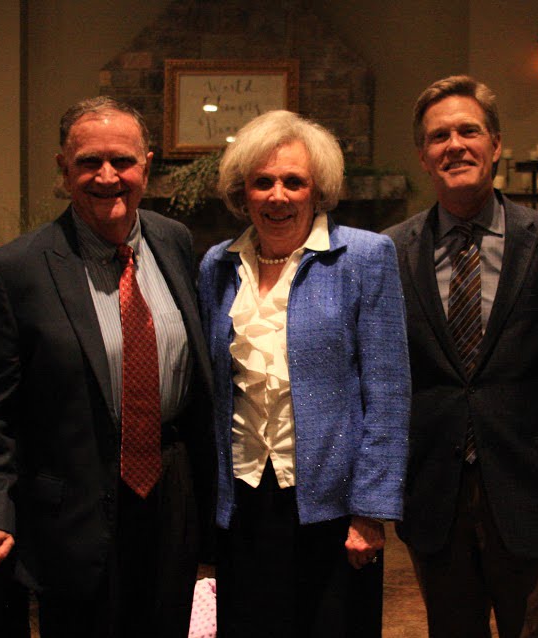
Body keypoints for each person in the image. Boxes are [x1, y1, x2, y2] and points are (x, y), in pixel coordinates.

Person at [0, 97, 214, 637]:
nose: (107, 177)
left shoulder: (174, 242)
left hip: (172, 498)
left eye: (122, 161)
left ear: (147, 166)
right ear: (63, 168)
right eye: (89, 162)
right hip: (74, 510)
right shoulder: (15, 271)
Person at [197, 109, 410, 637]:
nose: (278, 196)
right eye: (262, 182)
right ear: (242, 192)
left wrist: (370, 510)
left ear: (319, 191)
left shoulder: (364, 257)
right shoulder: (217, 267)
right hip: (244, 502)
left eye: (294, 182)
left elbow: (388, 392)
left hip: (335, 509)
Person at [384, 76, 538, 638]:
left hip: (532, 489)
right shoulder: (391, 252)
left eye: (468, 131)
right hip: (435, 494)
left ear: (495, 144)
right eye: (438, 136)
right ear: (423, 155)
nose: (455, 145)